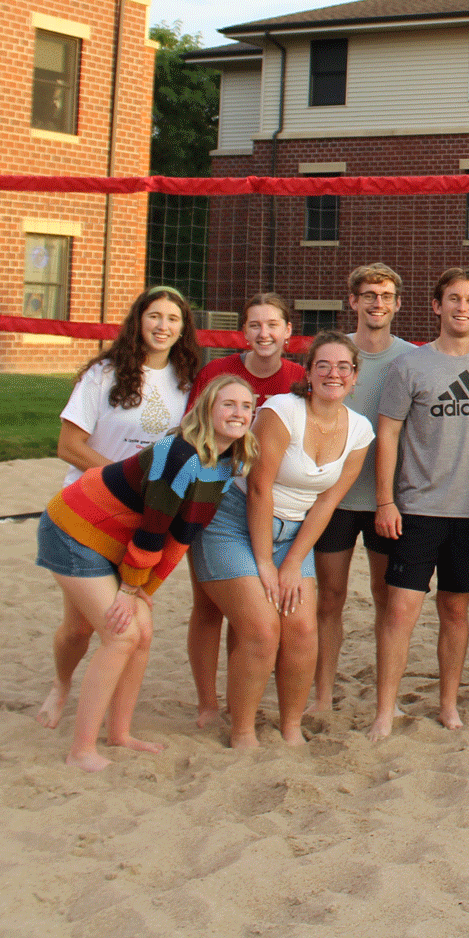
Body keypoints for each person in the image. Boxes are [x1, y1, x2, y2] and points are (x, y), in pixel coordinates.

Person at [34, 375, 257, 770]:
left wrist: (143, 589)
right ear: (207, 409)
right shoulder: (180, 455)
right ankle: (81, 750)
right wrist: (129, 589)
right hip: (76, 528)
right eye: (228, 404)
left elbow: (181, 537)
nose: (238, 413)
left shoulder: (225, 464)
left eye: (246, 406)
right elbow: (153, 529)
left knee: (143, 631)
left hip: (117, 540)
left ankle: (119, 733)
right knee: (120, 635)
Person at [189, 333, 375, 748]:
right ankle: (242, 731)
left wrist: (291, 563)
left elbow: (327, 502)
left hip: (294, 534)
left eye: (343, 367)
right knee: (261, 629)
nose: (333, 374)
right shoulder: (282, 410)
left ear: (355, 377)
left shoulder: (361, 431)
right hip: (234, 522)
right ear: (307, 372)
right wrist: (265, 564)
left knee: (303, 630)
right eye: (323, 365)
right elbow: (259, 488)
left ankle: (290, 726)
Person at [367, 269, 469, 737]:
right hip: (416, 510)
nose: (462, 307)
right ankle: (385, 711)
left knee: (455, 612)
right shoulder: (410, 367)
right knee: (400, 612)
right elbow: (387, 435)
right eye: (453, 299)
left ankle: (448, 705)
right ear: (437, 306)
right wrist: (385, 501)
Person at [186, 292, 306, 728]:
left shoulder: (298, 378)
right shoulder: (218, 373)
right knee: (208, 607)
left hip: (270, 502)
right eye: (255, 325)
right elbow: (191, 433)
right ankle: (207, 704)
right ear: (243, 332)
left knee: (251, 613)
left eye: (273, 325)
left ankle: (242, 699)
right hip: (215, 500)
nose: (264, 333)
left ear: (288, 331)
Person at [311, 264, 416, 713]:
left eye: (386, 295)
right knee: (329, 598)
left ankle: (385, 700)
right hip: (333, 499)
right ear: (353, 301)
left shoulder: (411, 358)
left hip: (387, 500)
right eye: (369, 295)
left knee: (386, 599)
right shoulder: (335, 355)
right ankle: (321, 696)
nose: (378, 303)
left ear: (397, 304)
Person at [56, 286, 201, 487]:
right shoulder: (103, 374)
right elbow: (68, 447)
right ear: (138, 321)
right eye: (154, 316)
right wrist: (125, 479)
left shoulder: (186, 382)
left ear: (183, 328)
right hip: (93, 493)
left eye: (173, 319)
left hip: (147, 499)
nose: (163, 326)